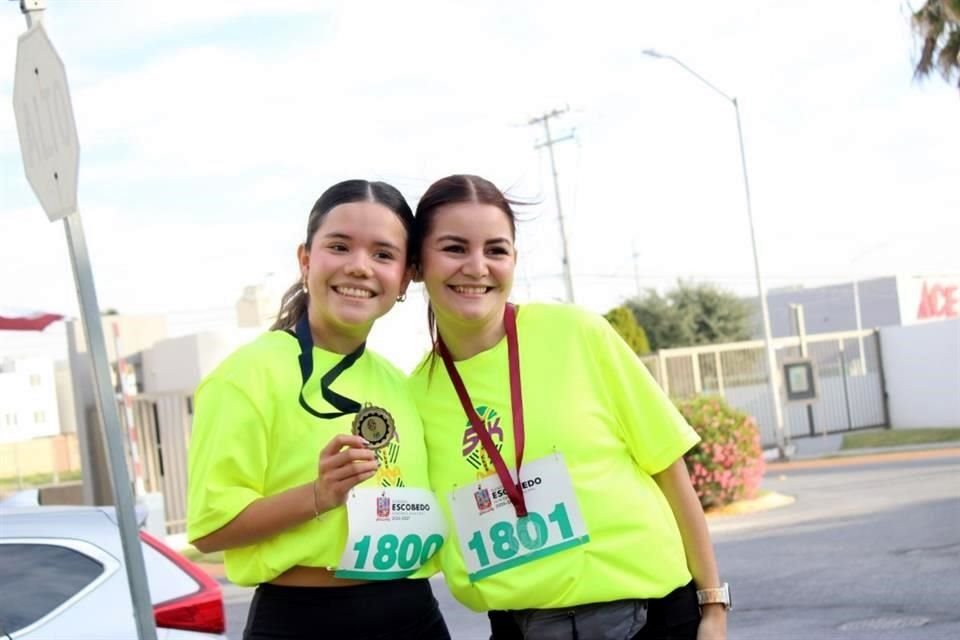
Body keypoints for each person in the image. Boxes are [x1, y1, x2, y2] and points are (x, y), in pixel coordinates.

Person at [408, 174, 729, 640]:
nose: (477, 267)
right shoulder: (415, 395)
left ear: (513, 260)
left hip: (654, 620)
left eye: (496, 250)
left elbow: (668, 467)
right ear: (418, 264)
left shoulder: (578, 334)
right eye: (455, 248)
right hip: (520, 625)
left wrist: (713, 607)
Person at [186, 179, 450, 640]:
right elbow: (210, 528)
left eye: (383, 254)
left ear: (406, 278)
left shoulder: (399, 381)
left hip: (414, 613)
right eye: (340, 246)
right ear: (305, 260)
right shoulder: (246, 375)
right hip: (302, 618)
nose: (359, 267)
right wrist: (318, 496)